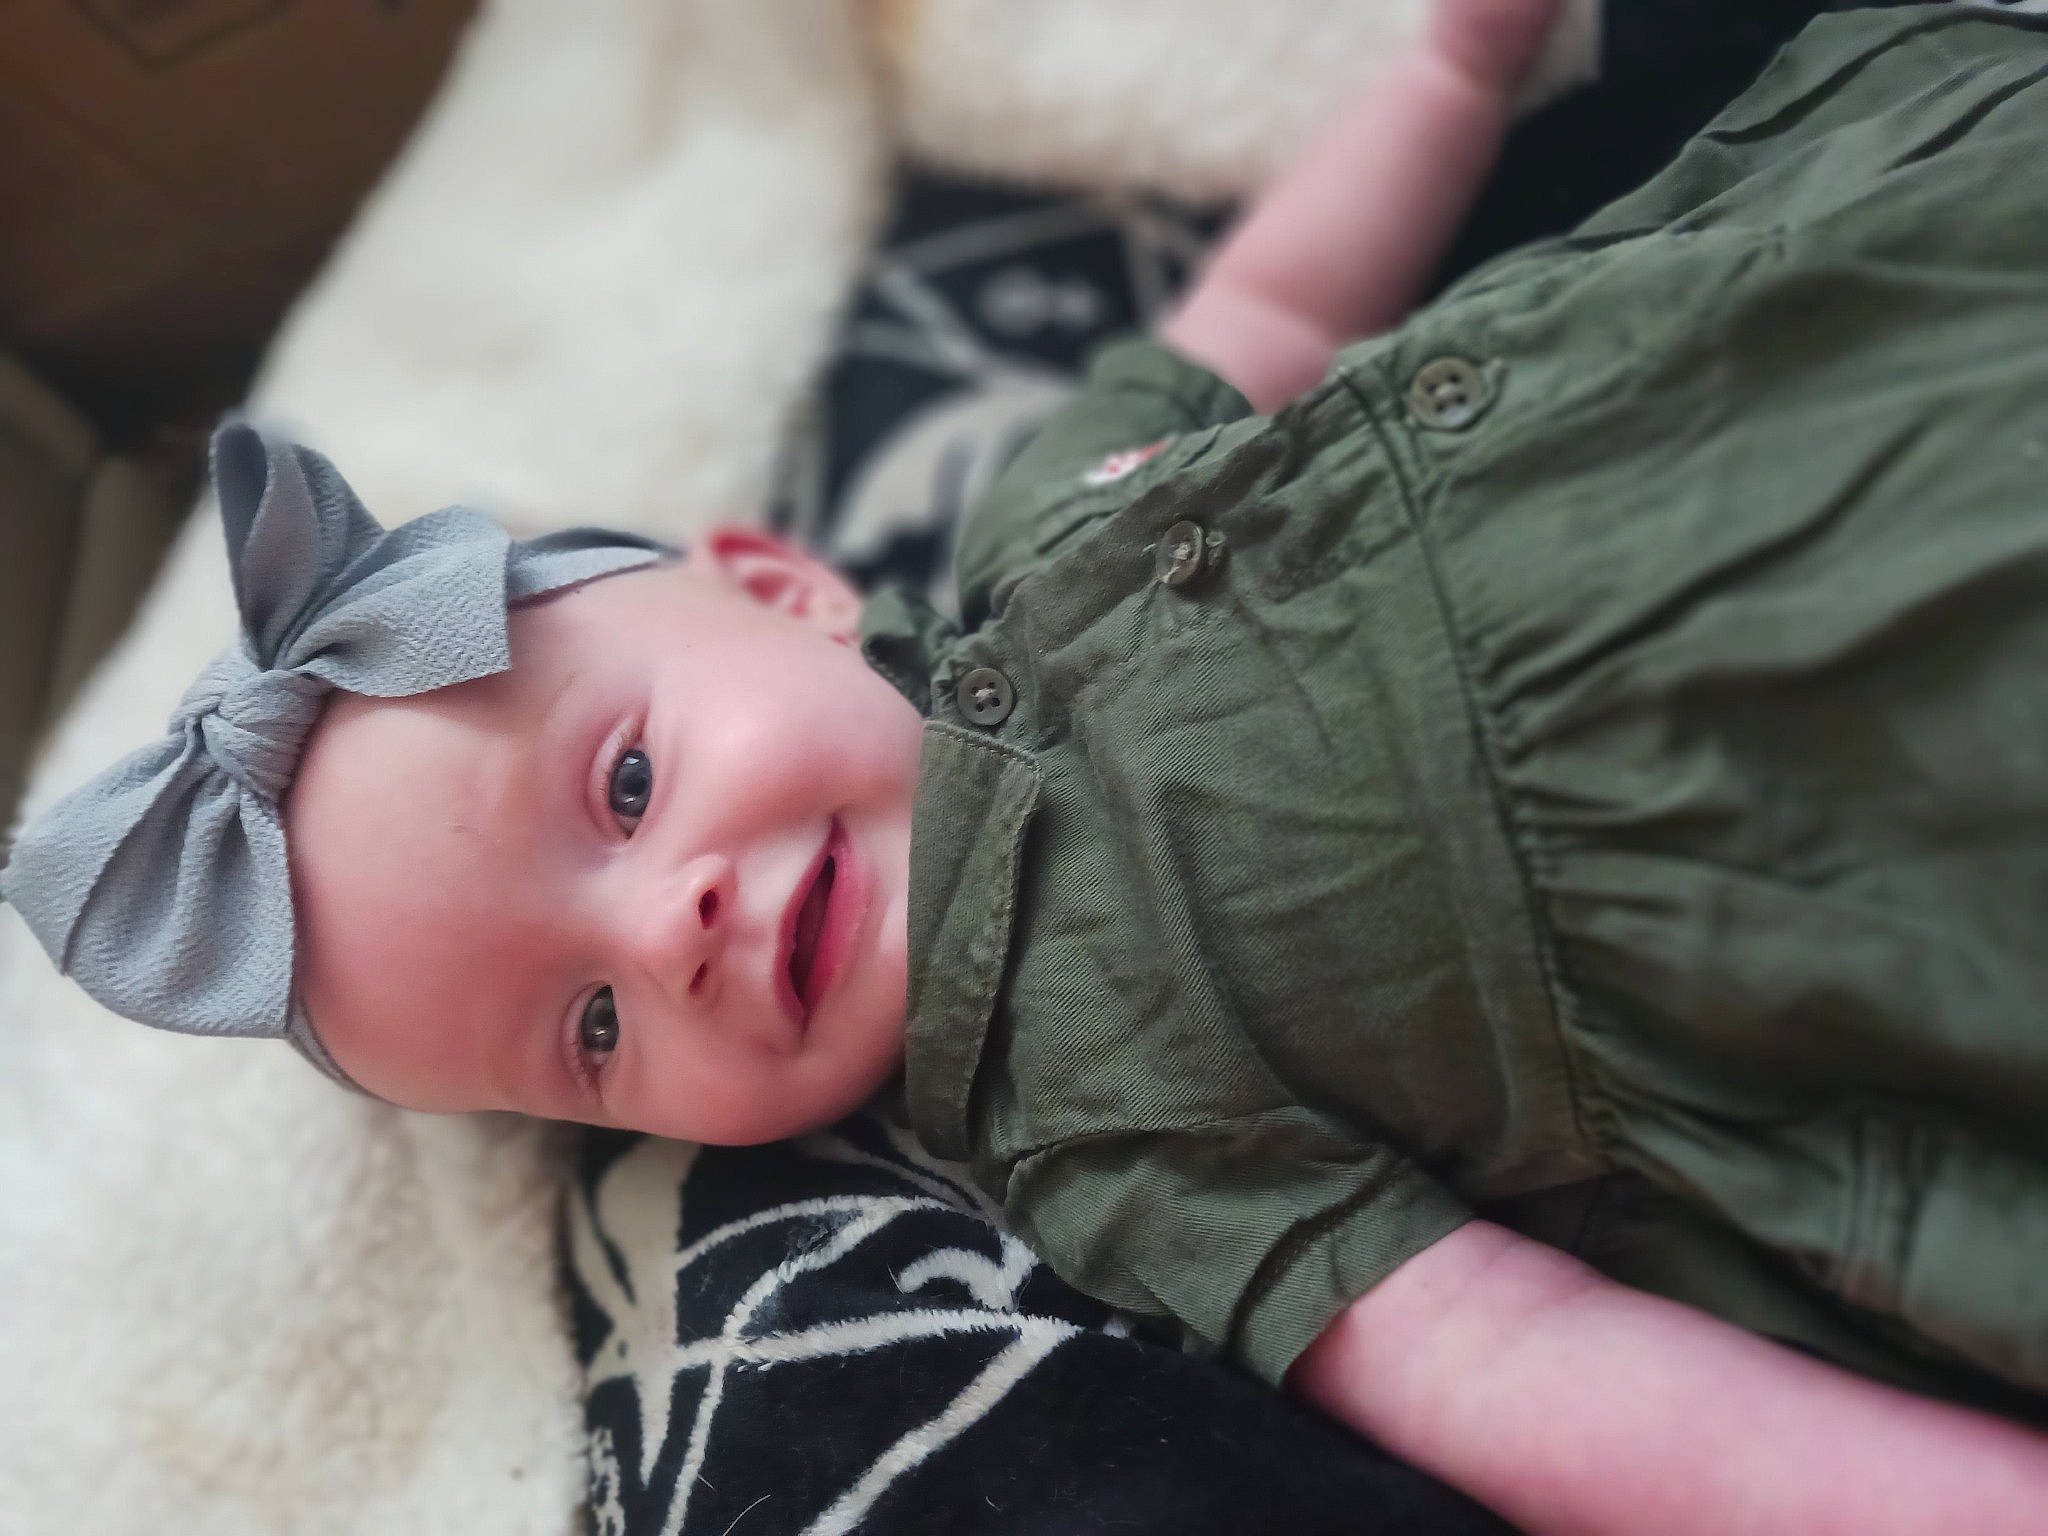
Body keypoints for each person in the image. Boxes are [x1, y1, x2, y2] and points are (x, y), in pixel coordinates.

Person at [9, 2, 2048, 1530]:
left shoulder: (1044, 515)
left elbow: (1269, 303)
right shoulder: (1086, 1137)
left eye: (625, 790)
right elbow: (1507, 1354)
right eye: (596, 1033)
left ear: (782, 589)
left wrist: (1446, 71)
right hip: (1862, 853)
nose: (670, 925)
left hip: (1791, 367)